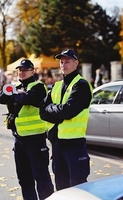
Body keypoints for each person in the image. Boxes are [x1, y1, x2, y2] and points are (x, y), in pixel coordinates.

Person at [0, 59, 54, 200]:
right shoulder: (16, 86)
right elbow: (1, 98)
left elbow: (27, 99)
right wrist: (14, 91)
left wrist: (16, 93)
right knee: (24, 179)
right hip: (19, 139)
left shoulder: (39, 87)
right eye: (19, 70)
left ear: (32, 71)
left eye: (24, 70)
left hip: (36, 139)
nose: (21, 72)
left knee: (41, 177)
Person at [39, 49, 93, 190]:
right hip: (57, 146)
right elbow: (42, 111)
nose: (64, 65)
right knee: (61, 189)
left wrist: (51, 108)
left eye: (67, 61)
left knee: (77, 191)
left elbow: (68, 111)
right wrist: (58, 112)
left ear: (76, 63)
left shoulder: (81, 85)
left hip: (74, 146)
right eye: (61, 62)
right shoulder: (56, 86)